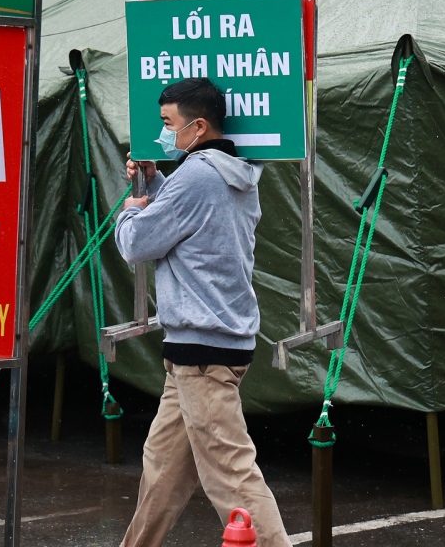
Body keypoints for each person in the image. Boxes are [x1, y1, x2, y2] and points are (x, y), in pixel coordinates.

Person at [115, 77, 291, 547]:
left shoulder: (196, 176)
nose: (163, 134)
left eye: (168, 124)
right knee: (163, 475)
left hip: (201, 349)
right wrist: (153, 181)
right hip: (208, 344)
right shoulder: (233, 171)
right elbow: (189, 218)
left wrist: (130, 210)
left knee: (233, 480)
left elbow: (138, 242)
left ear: (196, 126)